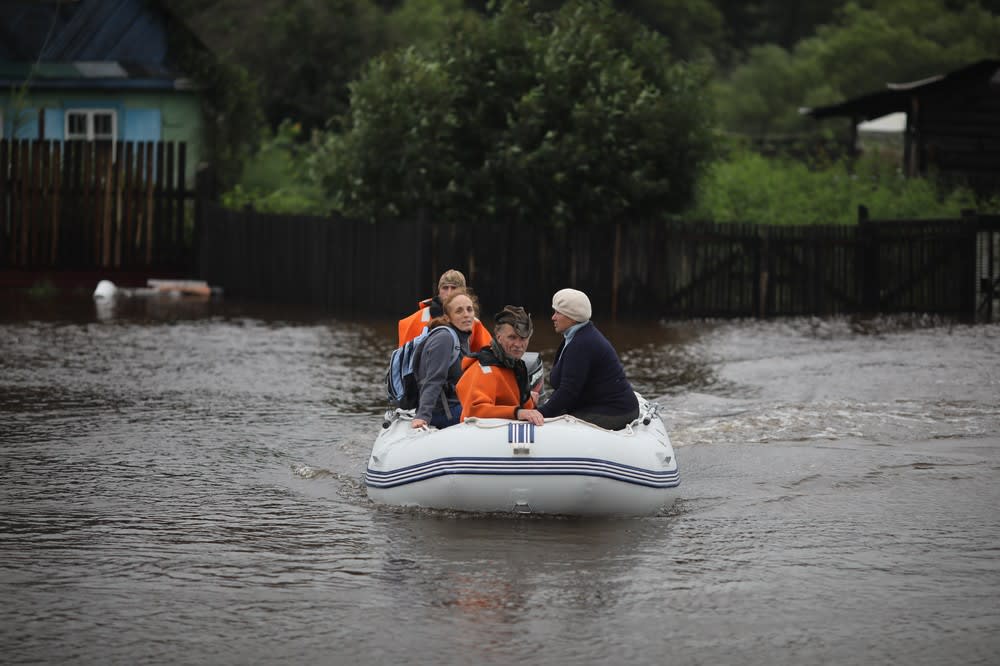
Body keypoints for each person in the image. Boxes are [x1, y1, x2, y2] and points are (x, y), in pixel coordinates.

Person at [537, 288, 639, 430]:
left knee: (555, 427)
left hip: (616, 412)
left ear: (572, 317)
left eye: (558, 313)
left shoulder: (582, 343)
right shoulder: (578, 337)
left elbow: (568, 391)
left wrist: (540, 413)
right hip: (597, 405)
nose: (553, 317)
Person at [457, 306, 544, 425]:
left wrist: (531, 402)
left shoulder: (517, 366)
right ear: (499, 337)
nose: (518, 344)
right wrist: (518, 412)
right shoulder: (484, 368)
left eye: (523, 338)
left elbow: (526, 407)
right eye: (512, 337)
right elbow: (474, 412)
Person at [411, 289, 479, 430]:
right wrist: (423, 416)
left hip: (457, 404)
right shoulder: (444, 338)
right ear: (448, 318)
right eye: (459, 311)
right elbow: (433, 379)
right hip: (442, 412)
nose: (466, 314)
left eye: (469, 309)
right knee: (493, 413)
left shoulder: (463, 337)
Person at [397, 270, 492, 368]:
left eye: (454, 288)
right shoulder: (413, 321)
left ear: (463, 292)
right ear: (439, 291)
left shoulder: (473, 322)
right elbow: (403, 359)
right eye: (445, 288)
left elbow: (488, 355)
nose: (449, 293)